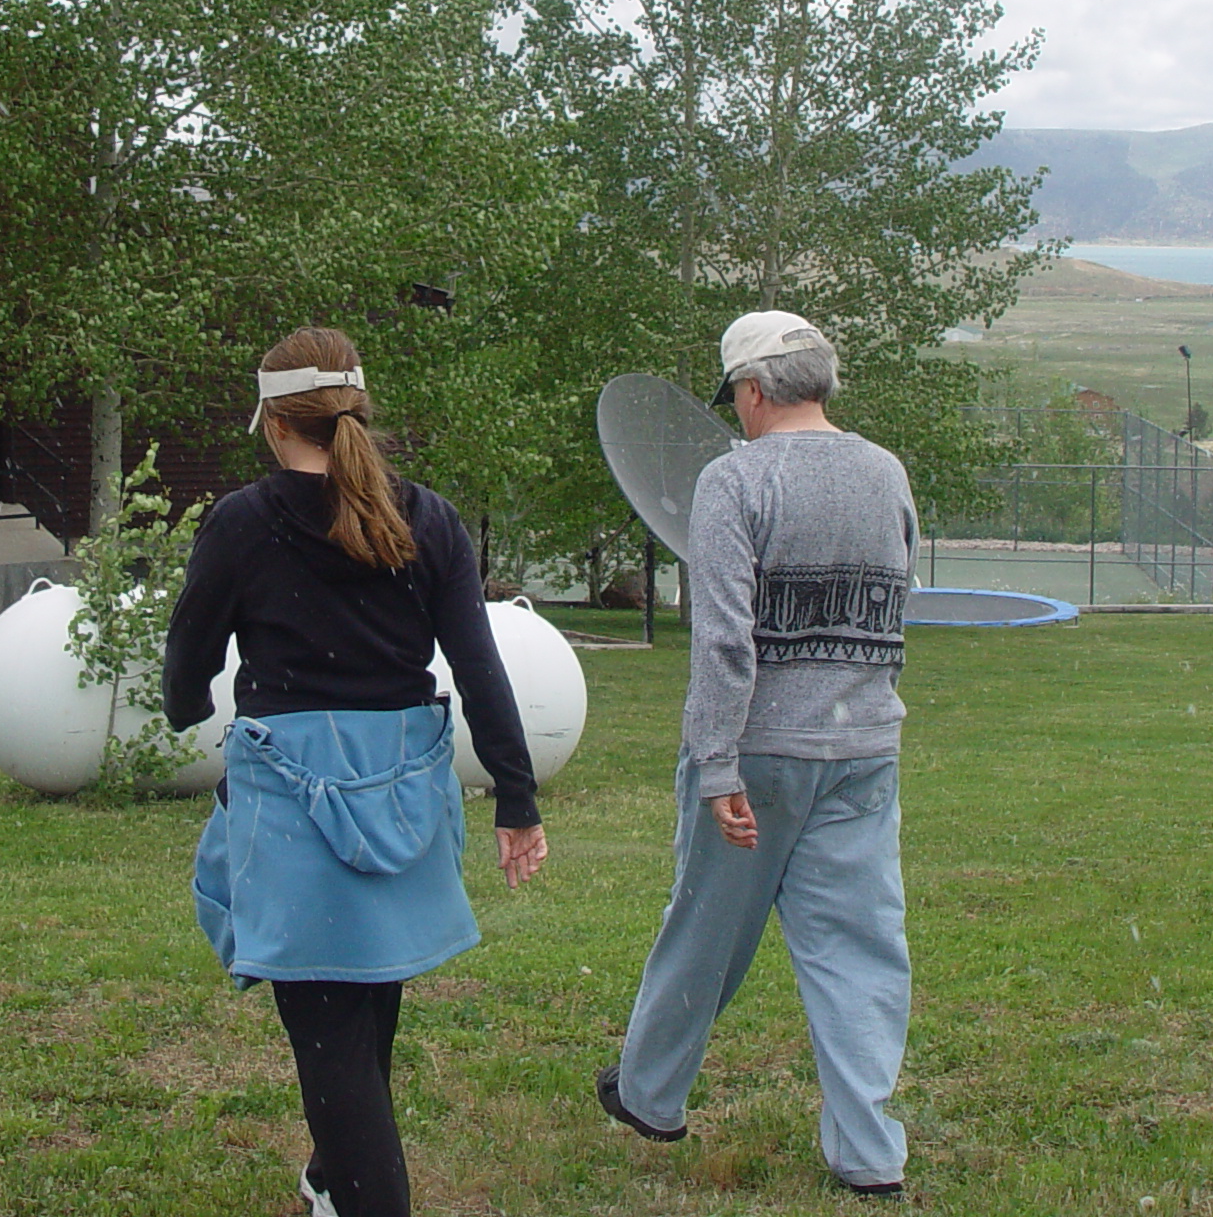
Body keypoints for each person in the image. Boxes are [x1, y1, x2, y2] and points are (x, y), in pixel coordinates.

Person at [164, 325, 548, 1217]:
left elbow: (190, 655)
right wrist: (515, 796)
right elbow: (478, 666)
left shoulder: (242, 522)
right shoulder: (429, 516)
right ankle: (331, 1180)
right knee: (365, 996)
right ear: (358, 410)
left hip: (295, 794)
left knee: (332, 1030)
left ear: (270, 421)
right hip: (406, 791)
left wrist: (186, 709)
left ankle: (361, 1191)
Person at [598, 309, 917, 1198]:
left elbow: (726, 641)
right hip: (864, 748)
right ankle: (869, 1155)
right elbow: (896, 604)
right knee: (860, 951)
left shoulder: (734, 480)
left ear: (751, 391)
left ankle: (652, 1096)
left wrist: (717, 763)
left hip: (760, 752)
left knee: (705, 927)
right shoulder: (886, 472)